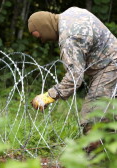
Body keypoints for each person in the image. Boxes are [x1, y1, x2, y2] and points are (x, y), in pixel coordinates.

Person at [28, 7, 117, 136]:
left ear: (45, 26)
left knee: (93, 116)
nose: (42, 40)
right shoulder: (71, 13)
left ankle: (97, 153)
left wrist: (49, 96)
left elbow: (75, 77)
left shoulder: (69, 38)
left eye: (39, 34)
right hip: (110, 62)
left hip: (110, 67)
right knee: (109, 112)